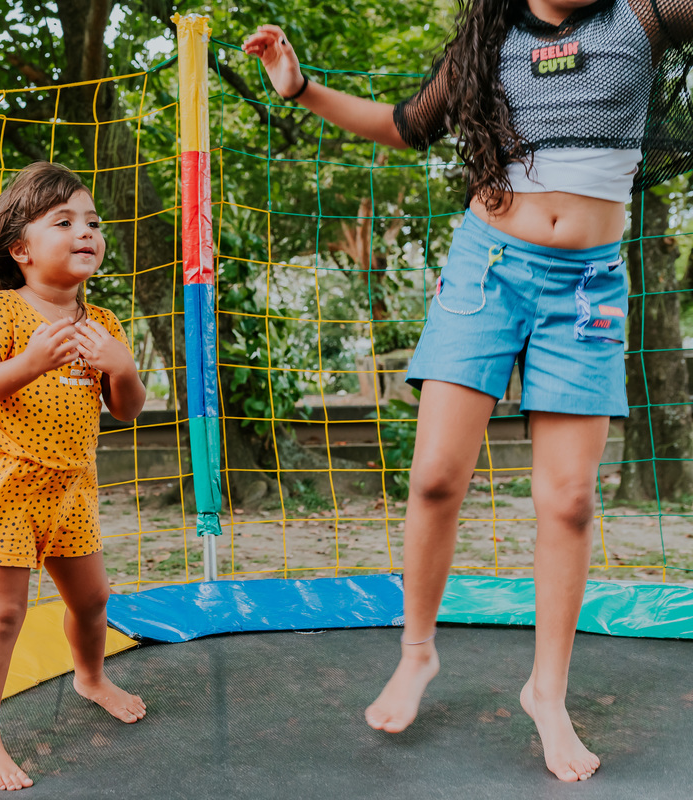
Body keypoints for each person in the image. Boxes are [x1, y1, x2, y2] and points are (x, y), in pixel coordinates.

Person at [247, 0, 693, 783]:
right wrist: (298, 87)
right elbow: (403, 124)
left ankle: (547, 694)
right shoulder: (490, 41)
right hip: (489, 268)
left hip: (588, 288)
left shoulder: (646, 16)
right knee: (435, 478)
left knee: (570, 501)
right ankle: (416, 652)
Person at [0, 161, 148, 791]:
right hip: (8, 485)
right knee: (3, 616)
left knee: (92, 600)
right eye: (64, 222)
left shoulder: (104, 323)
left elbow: (127, 408)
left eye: (92, 222)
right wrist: (30, 362)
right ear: (21, 249)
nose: (85, 232)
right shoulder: (2, 309)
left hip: (72, 487)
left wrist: (124, 366)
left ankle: (90, 676)